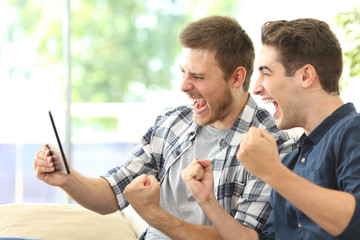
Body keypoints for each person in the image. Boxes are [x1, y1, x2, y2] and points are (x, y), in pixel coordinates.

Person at [34, 16, 297, 240]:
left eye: (197, 76)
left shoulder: (272, 143)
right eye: (183, 72)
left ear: (237, 77)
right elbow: (112, 192)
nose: (183, 86)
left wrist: (153, 215)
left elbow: (242, 235)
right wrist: (68, 179)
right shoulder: (174, 123)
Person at [236, 18, 360, 239]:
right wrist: (205, 200)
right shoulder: (290, 161)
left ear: (306, 76)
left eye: (266, 73)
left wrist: (272, 172)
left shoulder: (353, 131)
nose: (255, 88)